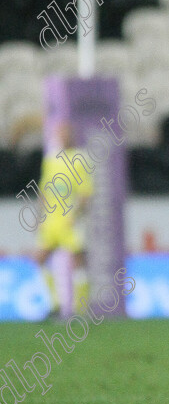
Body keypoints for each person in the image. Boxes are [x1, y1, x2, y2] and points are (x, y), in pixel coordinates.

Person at [35, 123, 92, 318]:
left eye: (65, 132)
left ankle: (81, 309)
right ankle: (56, 304)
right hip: (51, 222)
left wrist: (76, 215)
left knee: (78, 262)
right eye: (59, 132)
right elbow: (44, 190)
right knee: (40, 259)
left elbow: (85, 194)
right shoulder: (50, 160)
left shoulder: (79, 159)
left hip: (69, 220)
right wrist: (41, 217)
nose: (62, 136)